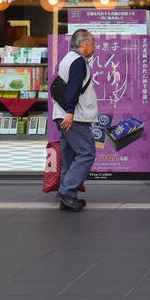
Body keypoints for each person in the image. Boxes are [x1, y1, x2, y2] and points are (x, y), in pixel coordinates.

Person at [52, 28, 97, 212]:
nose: (94, 45)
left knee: (70, 155)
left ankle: (67, 195)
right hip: (73, 117)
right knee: (87, 152)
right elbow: (73, 88)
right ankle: (67, 191)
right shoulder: (78, 61)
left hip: (65, 115)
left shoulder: (67, 59)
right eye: (92, 41)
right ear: (82, 43)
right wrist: (70, 112)